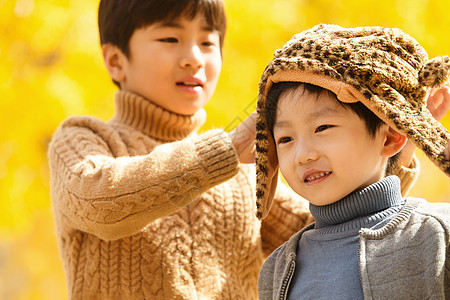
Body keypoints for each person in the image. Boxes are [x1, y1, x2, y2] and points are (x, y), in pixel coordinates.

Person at [46, 1, 432, 298]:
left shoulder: (246, 174)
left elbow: (336, 225)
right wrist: (227, 151)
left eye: (207, 42)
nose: (193, 57)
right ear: (115, 61)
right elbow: (100, 200)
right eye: (170, 39)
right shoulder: (83, 139)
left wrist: (396, 145)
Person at [254, 24, 450, 299]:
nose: (303, 155)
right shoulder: (277, 269)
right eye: (285, 139)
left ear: (390, 137)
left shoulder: (435, 232)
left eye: (322, 128)